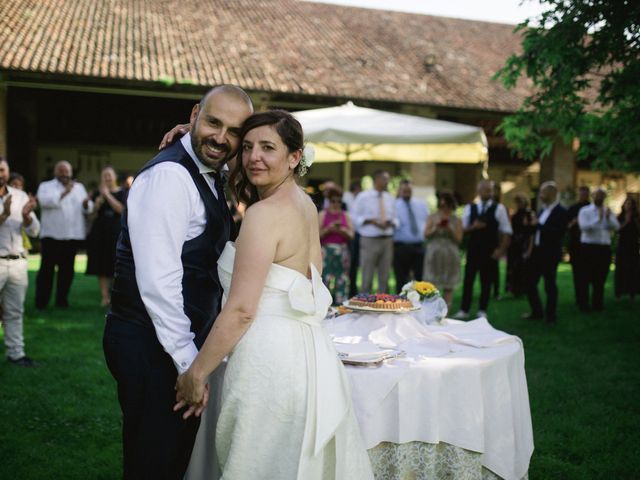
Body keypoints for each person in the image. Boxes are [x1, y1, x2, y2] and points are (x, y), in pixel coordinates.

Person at [175, 110, 373, 479]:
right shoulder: (304, 205)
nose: (253, 157)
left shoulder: (264, 214)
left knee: (258, 461)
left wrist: (196, 372)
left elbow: (242, 310)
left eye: (268, 148)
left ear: (294, 157)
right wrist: (195, 135)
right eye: (247, 147)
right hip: (308, 356)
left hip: (267, 358)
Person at [103, 85, 254, 480]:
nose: (221, 138)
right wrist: (191, 366)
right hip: (152, 345)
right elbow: (159, 283)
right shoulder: (171, 177)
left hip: (172, 344)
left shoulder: (210, 171)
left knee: (171, 457)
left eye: (234, 131)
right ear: (194, 114)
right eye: (213, 122)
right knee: (154, 461)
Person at [35, 160, 92, 309]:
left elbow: (88, 208)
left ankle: (62, 301)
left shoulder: (79, 188)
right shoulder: (46, 186)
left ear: (71, 173)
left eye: (67, 171)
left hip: (71, 237)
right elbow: (44, 202)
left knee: (67, 272)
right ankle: (41, 302)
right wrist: (64, 192)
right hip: (51, 236)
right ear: (55, 172)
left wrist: (87, 204)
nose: (65, 174)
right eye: (61, 170)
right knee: (46, 271)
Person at [0, 158, 40, 366]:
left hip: (17, 262)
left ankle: (16, 353)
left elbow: (34, 230)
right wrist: (5, 214)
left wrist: (26, 216)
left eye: (3, 170)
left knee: (15, 311)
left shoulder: (20, 195)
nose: (0, 174)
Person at [453, 180, 512, 320]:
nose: (489, 192)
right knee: (469, 280)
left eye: (490, 190)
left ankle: (482, 310)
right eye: (486, 189)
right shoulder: (470, 207)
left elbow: (507, 231)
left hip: (490, 251)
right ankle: (464, 309)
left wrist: (501, 250)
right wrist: (474, 227)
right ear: (478, 191)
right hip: (473, 250)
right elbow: (462, 229)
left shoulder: (499, 208)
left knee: (487, 281)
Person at [522, 182, 568, 323]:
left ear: (552, 193)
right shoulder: (542, 210)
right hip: (536, 252)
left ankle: (550, 316)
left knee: (549, 285)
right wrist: (529, 226)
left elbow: (558, 233)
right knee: (529, 283)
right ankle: (537, 312)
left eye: (543, 192)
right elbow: (537, 230)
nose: (540, 195)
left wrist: (539, 225)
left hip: (550, 253)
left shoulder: (561, 211)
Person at [351, 170, 399, 293]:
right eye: (384, 179)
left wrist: (390, 222)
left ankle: (382, 306)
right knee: (367, 275)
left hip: (386, 240)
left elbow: (396, 218)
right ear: (376, 179)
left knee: (385, 276)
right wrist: (370, 221)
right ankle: (365, 305)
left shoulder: (389, 198)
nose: (387, 182)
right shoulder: (363, 197)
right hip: (369, 239)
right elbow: (354, 217)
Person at [85, 166, 126, 306]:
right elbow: (90, 217)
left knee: (116, 263)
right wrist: (96, 205)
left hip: (116, 232)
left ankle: (116, 296)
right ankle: (104, 296)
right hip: (100, 232)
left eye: (109, 175)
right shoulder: (97, 194)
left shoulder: (123, 192)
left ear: (115, 176)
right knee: (101, 264)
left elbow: (122, 210)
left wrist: (107, 195)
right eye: (104, 176)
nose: (107, 178)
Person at [577, 187, 620, 312]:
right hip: (588, 248)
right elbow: (584, 228)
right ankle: (584, 305)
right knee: (585, 277)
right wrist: (599, 219)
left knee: (600, 278)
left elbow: (616, 227)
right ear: (592, 196)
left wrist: (607, 218)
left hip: (604, 248)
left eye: (602, 196)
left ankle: (598, 305)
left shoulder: (608, 211)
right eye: (597, 195)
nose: (599, 198)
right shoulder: (584, 211)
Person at [422, 190, 462, 307]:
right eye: (442, 205)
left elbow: (459, 239)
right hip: (434, 252)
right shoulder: (432, 217)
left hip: (450, 253)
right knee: (431, 283)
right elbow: (425, 234)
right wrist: (435, 228)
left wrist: (450, 230)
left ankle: (445, 314)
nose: (444, 208)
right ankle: (431, 311)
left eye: (447, 205)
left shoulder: (456, 219)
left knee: (448, 285)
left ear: (451, 205)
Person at [319, 185, 354, 305]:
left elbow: (351, 235)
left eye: (339, 201)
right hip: (326, 250)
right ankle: (324, 304)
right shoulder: (323, 214)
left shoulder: (345, 215)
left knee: (342, 279)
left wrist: (342, 230)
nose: (336, 203)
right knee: (325, 278)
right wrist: (329, 229)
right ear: (329, 201)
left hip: (342, 250)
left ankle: (341, 304)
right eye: (333, 201)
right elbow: (317, 234)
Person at [393, 179, 429, 293]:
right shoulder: (394, 206)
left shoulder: (421, 204)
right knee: (401, 279)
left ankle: (418, 306)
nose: (406, 192)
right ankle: (400, 306)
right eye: (404, 190)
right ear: (400, 190)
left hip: (419, 246)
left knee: (420, 278)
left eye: (408, 189)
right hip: (401, 247)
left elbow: (427, 222)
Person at [506, 193, 534, 296]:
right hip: (515, 244)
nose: (519, 204)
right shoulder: (515, 215)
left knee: (523, 266)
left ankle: (523, 288)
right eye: (517, 202)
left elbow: (531, 233)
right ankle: (514, 288)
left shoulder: (529, 214)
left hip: (524, 243)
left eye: (520, 202)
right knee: (514, 266)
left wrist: (529, 248)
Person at [566, 186, 590, 305]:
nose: (583, 196)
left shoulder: (591, 208)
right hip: (575, 245)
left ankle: (585, 297)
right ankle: (579, 297)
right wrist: (574, 222)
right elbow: (566, 226)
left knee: (587, 272)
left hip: (588, 245)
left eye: (585, 194)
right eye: (581, 194)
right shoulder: (573, 208)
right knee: (577, 272)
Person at [614, 196, 640, 301]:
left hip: (633, 247)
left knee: (633, 270)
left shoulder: (637, 216)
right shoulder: (620, 217)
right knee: (620, 269)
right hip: (622, 246)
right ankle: (618, 294)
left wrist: (634, 220)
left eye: (630, 204)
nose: (628, 206)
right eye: (627, 203)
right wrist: (626, 222)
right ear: (624, 205)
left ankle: (632, 294)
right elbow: (616, 230)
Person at [346, 179, 362, 297]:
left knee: (354, 264)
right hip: (349, 235)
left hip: (356, 234)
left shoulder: (357, 199)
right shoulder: (348, 197)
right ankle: (350, 289)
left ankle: (353, 289)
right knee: (350, 264)